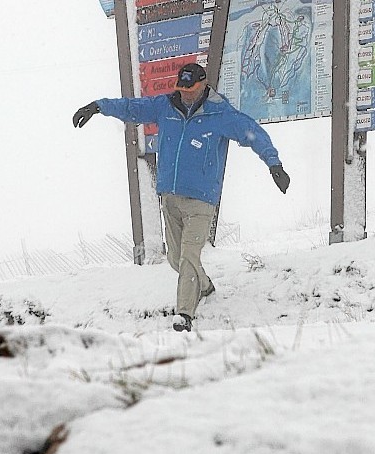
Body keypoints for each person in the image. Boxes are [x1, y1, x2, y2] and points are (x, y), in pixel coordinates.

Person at [73, 63, 290, 332]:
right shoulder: (165, 107)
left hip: (202, 199)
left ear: (203, 85)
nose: (186, 94)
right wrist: (98, 106)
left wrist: (274, 164)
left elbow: (253, 134)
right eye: (182, 89)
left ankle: (184, 314)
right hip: (170, 196)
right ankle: (205, 285)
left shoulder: (220, 114)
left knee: (188, 255)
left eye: (192, 89)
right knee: (175, 258)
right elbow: (131, 108)